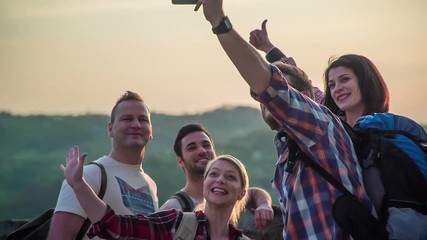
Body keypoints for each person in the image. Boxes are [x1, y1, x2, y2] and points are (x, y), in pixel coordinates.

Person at [192, 1, 374, 239]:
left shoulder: (319, 125)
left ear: (305, 101)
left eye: (270, 94)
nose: (265, 101)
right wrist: (270, 48)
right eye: (260, 99)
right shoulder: (297, 145)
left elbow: (275, 84)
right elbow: (300, 82)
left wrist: (219, 21)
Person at [323, 54, 427, 239]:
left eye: (344, 79)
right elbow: (303, 90)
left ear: (365, 81)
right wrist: (270, 50)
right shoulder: (340, 127)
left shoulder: (370, 136)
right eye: (332, 85)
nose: (337, 89)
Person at [62, 146, 251, 239]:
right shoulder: (176, 224)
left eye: (231, 177)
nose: (220, 180)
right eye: (214, 174)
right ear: (204, 184)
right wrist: (79, 185)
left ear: (242, 193)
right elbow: (116, 226)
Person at [48, 91, 159, 240]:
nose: (136, 125)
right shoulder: (85, 177)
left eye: (143, 120)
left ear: (151, 132)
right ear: (110, 129)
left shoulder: (150, 184)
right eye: (127, 119)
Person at [160, 123, 274, 229]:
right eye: (192, 148)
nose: (202, 150)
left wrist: (264, 205)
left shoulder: (226, 193)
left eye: (206, 145)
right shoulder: (175, 207)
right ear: (180, 161)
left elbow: (254, 193)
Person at [249, 19, 324, 104]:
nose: (271, 95)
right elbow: (296, 77)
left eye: (282, 89)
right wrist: (267, 47)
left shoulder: (329, 113)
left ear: (305, 97)